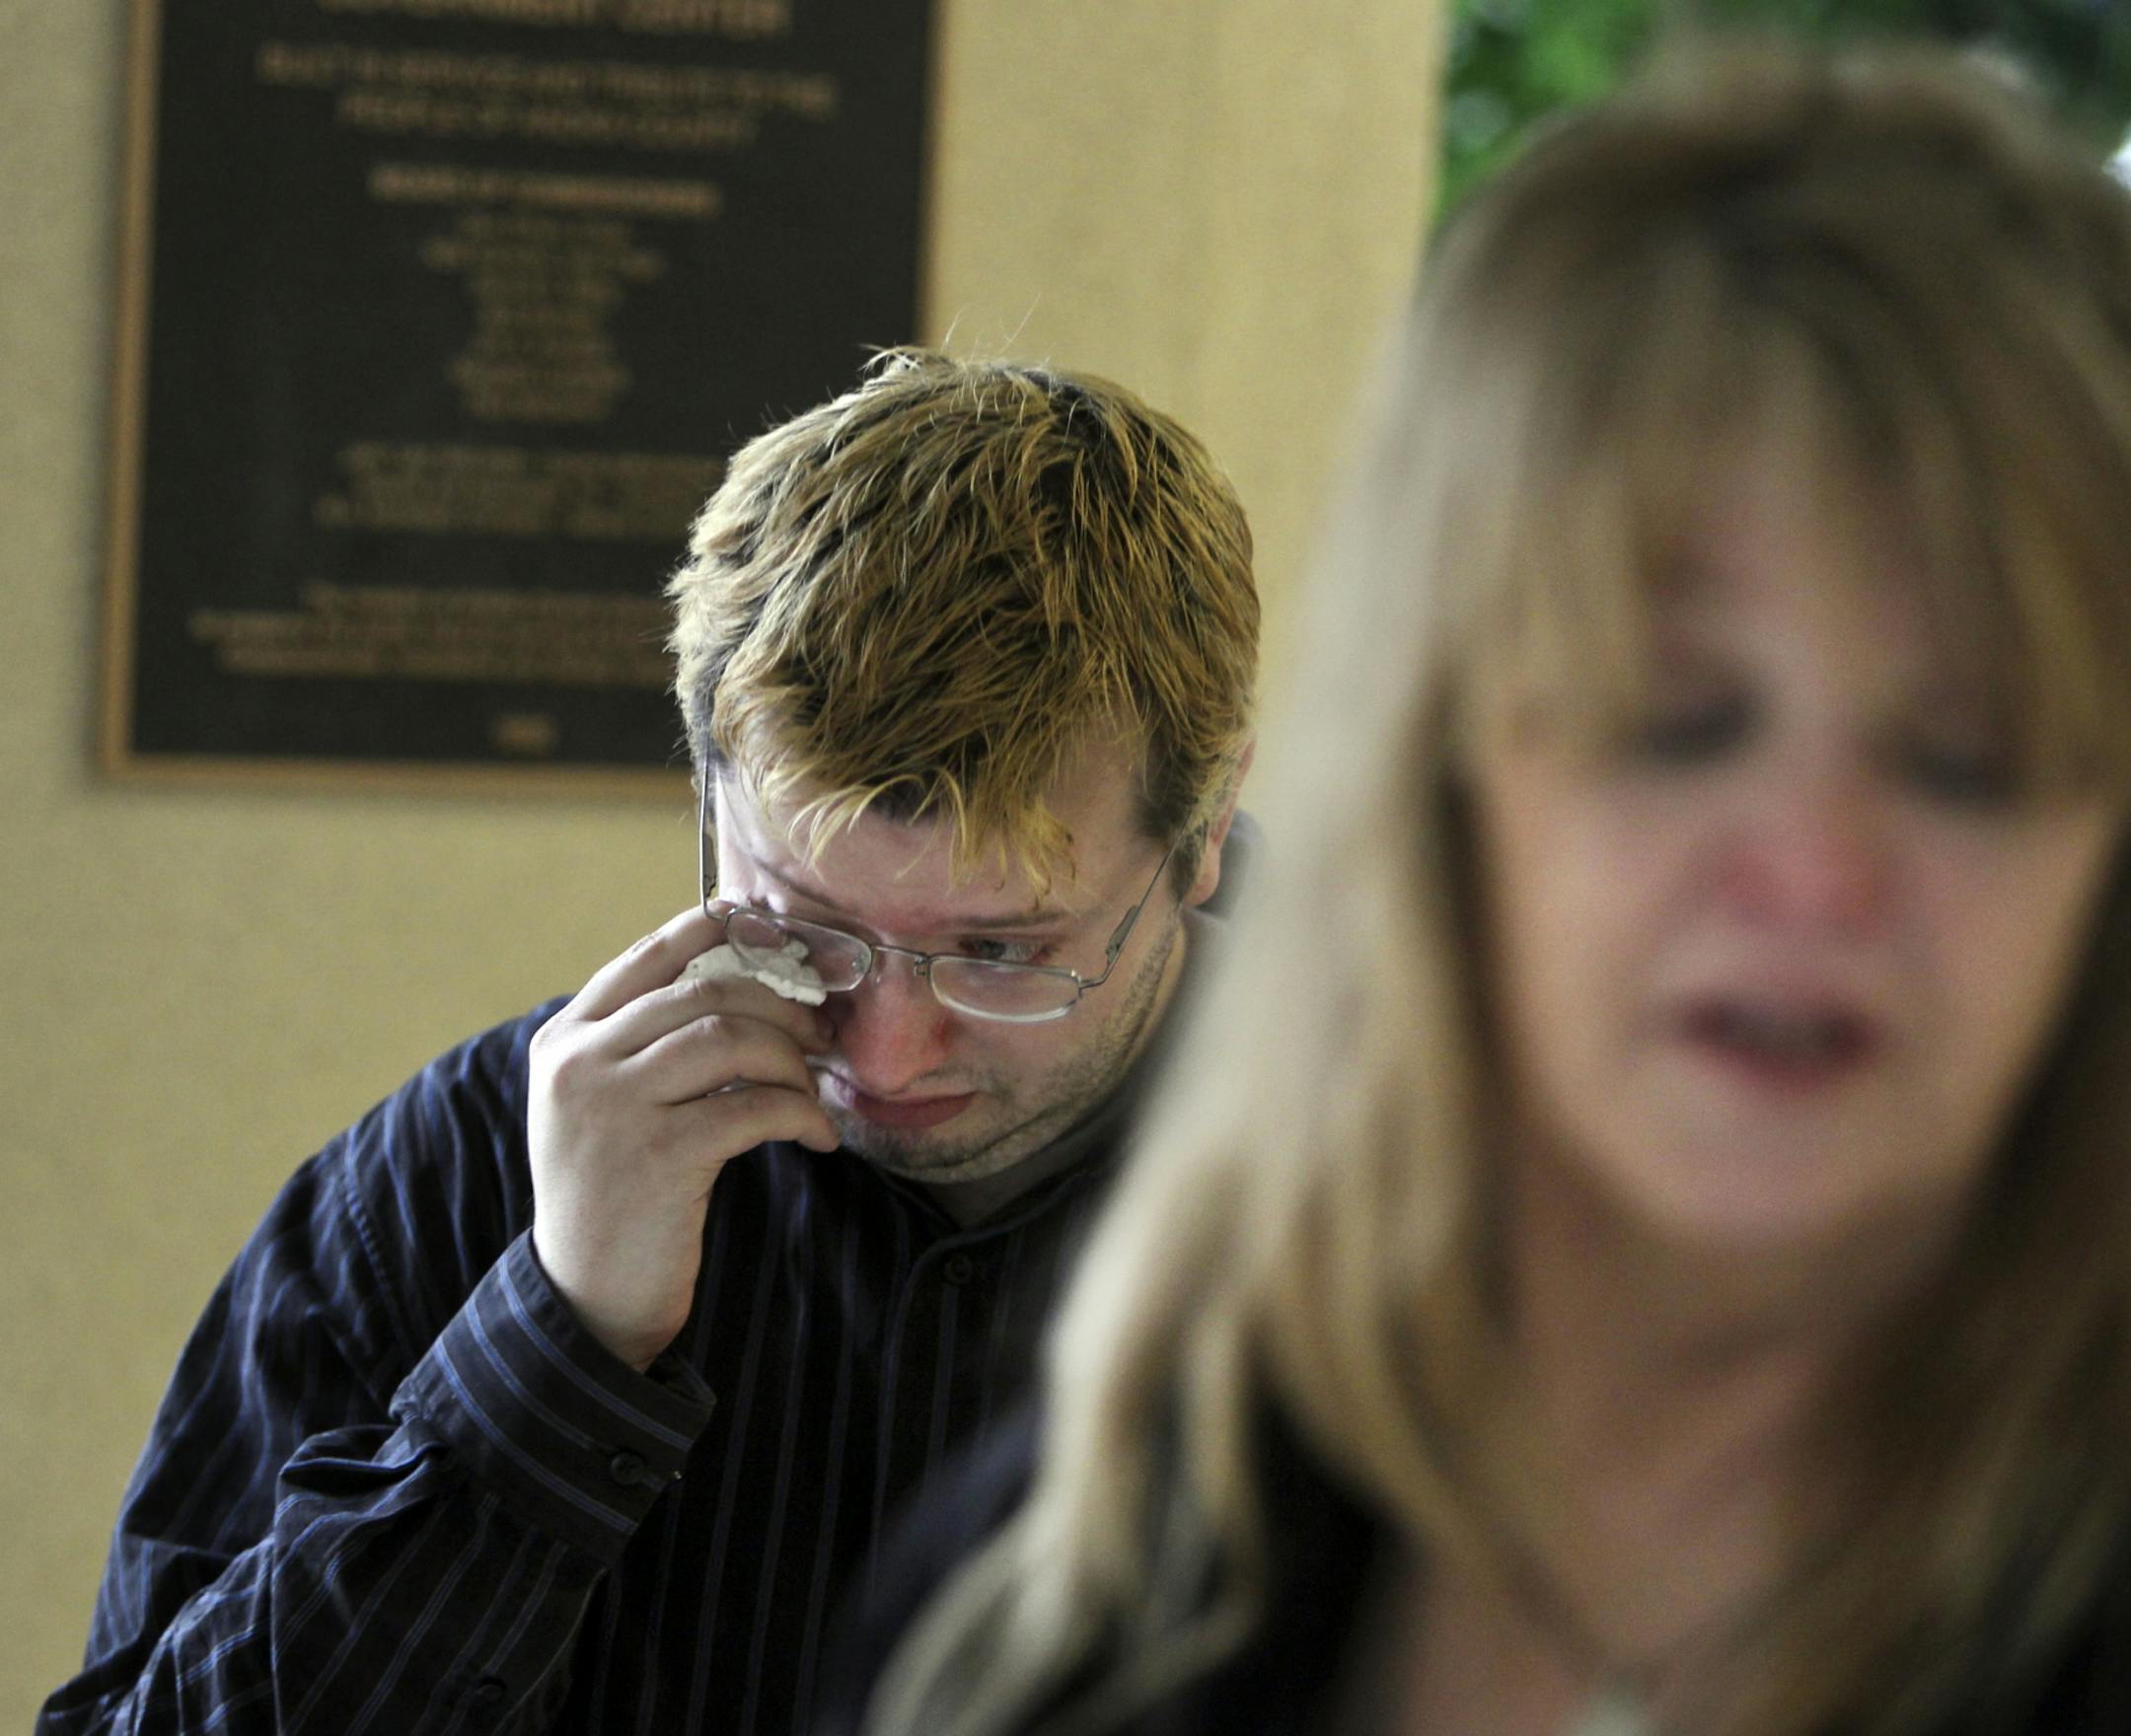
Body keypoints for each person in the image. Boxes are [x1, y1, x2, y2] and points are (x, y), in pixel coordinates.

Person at [831, 38, 2131, 1736]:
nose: (1817, 873)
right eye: (1676, 724)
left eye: (1966, 758)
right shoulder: (1060, 1600)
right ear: (1435, 774)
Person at [39, 352, 1259, 1735]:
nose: (884, 1055)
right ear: (706, 793)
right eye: (803, 924)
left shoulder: (1419, 1201)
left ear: (1205, 827)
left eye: (1003, 953)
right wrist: (554, 1350)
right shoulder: (460, 1172)